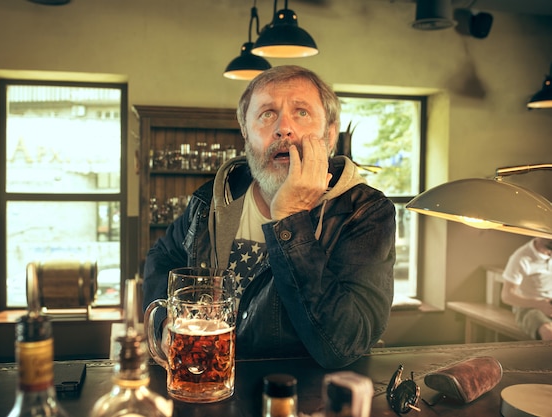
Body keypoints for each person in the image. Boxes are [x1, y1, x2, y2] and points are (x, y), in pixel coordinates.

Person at [143, 65, 396, 369]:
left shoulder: (366, 212)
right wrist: (165, 323)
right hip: (206, 384)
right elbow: (162, 256)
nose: (284, 128)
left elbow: (343, 344)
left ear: (329, 133)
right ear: (245, 133)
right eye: (266, 114)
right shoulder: (212, 198)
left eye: (301, 112)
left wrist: (289, 218)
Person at [501, 237, 552, 340]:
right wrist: (539, 304)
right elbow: (507, 296)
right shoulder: (521, 257)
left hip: (549, 303)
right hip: (528, 307)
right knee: (548, 333)